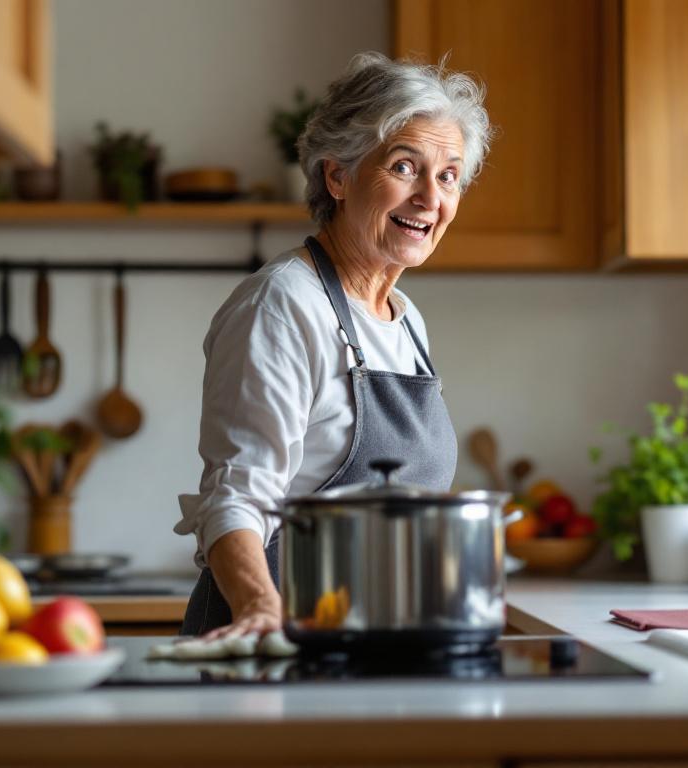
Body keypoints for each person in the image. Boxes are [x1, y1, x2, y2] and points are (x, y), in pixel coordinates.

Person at [174, 52, 493, 639]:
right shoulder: (282, 305)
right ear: (337, 176)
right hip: (281, 645)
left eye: (448, 175)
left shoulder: (405, 320)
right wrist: (261, 611)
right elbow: (235, 498)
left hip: (379, 646)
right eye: (405, 166)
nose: (430, 198)